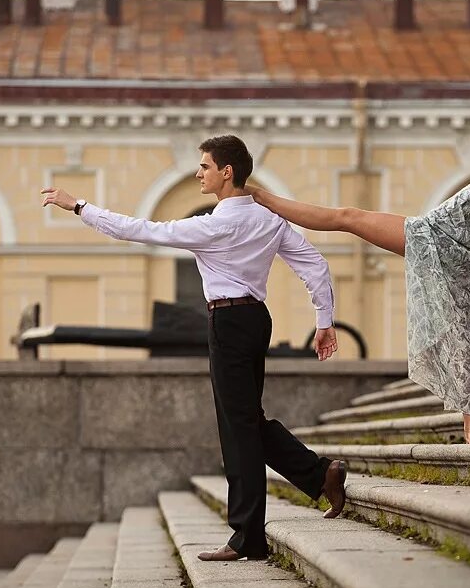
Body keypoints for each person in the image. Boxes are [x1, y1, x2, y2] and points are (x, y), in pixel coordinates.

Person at [41, 134, 348, 562]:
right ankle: (319, 476)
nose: (197, 172)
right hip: (257, 319)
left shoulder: (213, 225)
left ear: (227, 172)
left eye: (204, 166)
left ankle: (247, 537)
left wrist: (78, 206)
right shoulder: (269, 220)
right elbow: (315, 264)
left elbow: (140, 230)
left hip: (227, 321)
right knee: (247, 419)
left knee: (237, 427)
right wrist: (323, 320)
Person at [245, 170, 470, 443]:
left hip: (433, 240)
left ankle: (261, 197)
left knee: (347, 218)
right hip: (448, 245)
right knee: (349, 219)